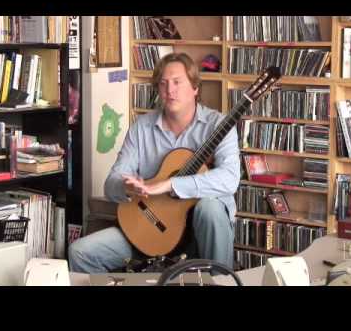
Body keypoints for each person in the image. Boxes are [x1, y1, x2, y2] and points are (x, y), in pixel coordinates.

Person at [69, 53, 240, 273]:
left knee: (210, 208)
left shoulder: (219, 125)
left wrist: (169, 185)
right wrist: (126, 187)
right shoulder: (141, 127)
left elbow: (230, 179)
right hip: (151, 229)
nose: (170, 90)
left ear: (195, 87)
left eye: (177, 82)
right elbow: (111, 183)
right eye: (163, 83)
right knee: (80, 253)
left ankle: (221, 280)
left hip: (201, 232)